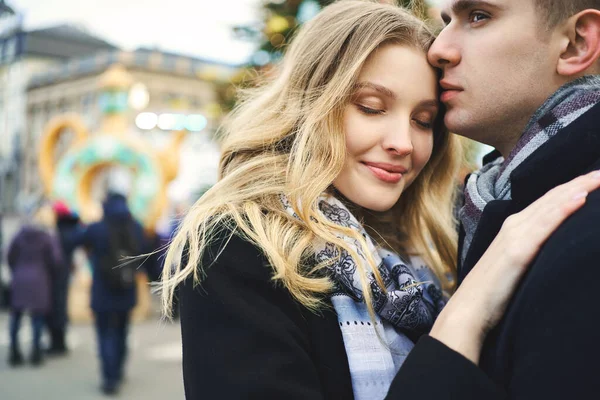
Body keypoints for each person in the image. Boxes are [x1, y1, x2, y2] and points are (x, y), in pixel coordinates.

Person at [159, 1, 600, 399]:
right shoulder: (240, 246)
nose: (402, 143)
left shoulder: (438, 243)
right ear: (312, 105)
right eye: (371, 107)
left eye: (424, 121)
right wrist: (467, 312)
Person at [390, 0, 600, 398]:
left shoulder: (587, 230)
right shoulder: (496, 206)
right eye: (448, 20)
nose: (438, 49)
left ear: (575, 43)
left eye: (479, 16)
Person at [73, 174, 159, 395]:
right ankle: (118, 371)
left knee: (104, 334)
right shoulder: (136, 227)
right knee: (121, 331)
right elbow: (145, 253)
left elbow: (77, 240)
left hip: (102, 289)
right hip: (127, 287)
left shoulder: (97, 228)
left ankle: (109, 377)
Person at [6, 204, 63, 367]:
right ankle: (36, 351)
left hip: (20, 278)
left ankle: (14, 351)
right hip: (40, 279)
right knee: (37, 317)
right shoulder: (46, 238)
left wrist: (17, 270)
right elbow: (56, 260)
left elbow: (9, 255)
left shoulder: (19, 236)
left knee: (16, 316)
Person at [46, 200, 82, 355]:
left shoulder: (57, 232)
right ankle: (59, 342)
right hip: (63, 272)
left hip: (55, 274)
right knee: (60, 306)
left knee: (56, 307)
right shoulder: (72, 229)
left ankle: (57, 343)